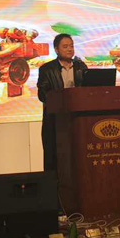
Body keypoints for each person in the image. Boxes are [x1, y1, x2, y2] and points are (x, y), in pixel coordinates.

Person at [37, 34, 88, 170]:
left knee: (77, 159)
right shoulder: (46, 69)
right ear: (56, 50)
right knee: (54, 160)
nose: (70, 49)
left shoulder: (81, 67)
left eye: (71, 46)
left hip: (77, 120)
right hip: (55, 121)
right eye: (65, 46)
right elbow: (42, 95)